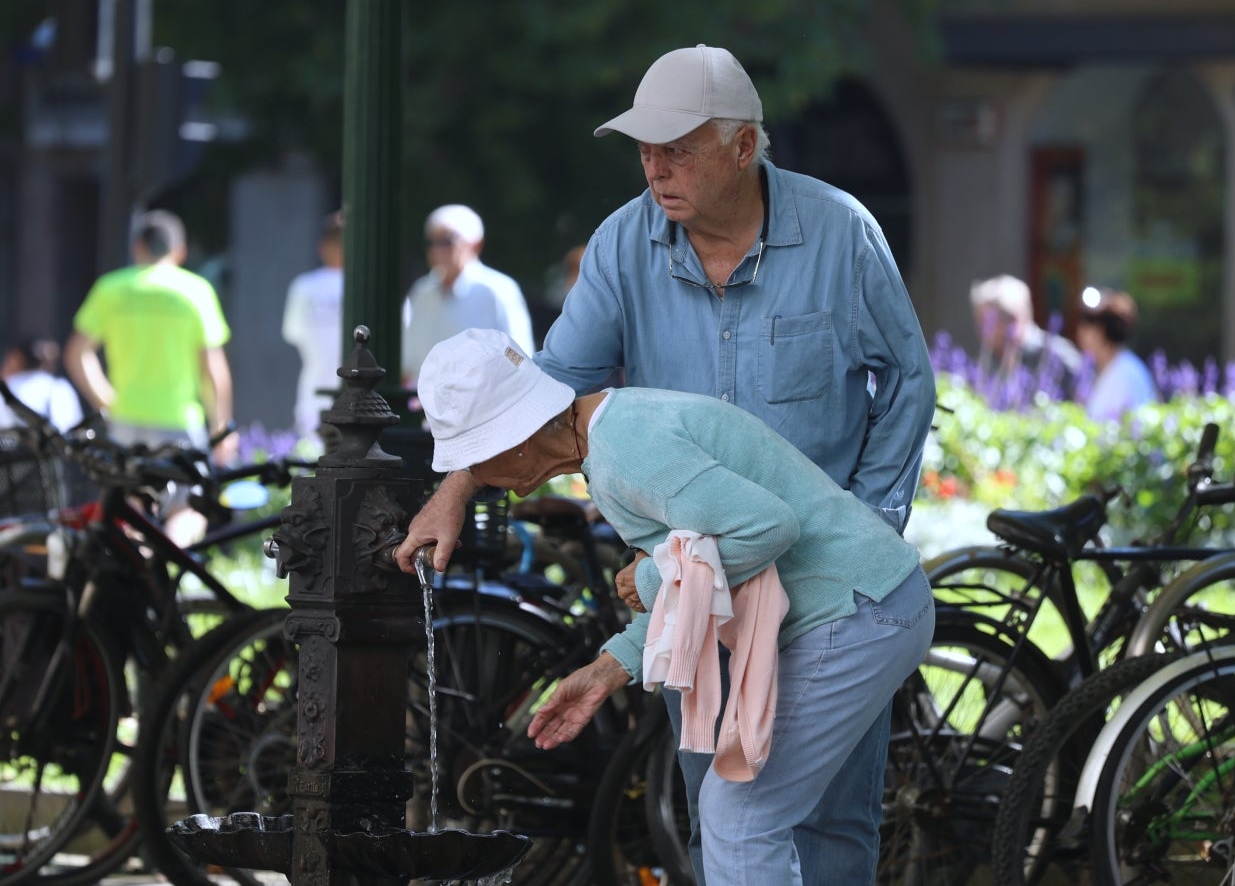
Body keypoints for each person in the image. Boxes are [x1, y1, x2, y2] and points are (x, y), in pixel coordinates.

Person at [395, 44, 936, 884]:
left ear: (746, 147)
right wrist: (456, 487)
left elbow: (905, 380)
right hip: (704, 583)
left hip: (824, 580)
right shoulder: (623, 243)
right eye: (645, 147)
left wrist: (872, 518)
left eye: (679, 146)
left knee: (825, 815)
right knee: (714, 795)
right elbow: (544, 391)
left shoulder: (839, 231)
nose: (655, 166)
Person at [416, 328, 934, 885]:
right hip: (862, 603)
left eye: (477, 461)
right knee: (740, 816)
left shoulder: (627, 453)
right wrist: (604, 672)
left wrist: (650, 571)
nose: (486, 482)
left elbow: (765, 528)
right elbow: (697, 586)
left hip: (859, 608)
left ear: (514, 441)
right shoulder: (612, 434)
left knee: (739, 819)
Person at [64, 209, 238, 545]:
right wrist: (221, 427)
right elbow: (213, 369)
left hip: (125, 420)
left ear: (137, 247)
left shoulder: (112, 288)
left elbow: (77, 353)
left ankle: (139, 573)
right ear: (180, 251)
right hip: (178, 421)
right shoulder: (195, 290)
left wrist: (104, 399)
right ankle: (163, 560)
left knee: (129, 507)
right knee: (189, 507)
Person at [400, 203, 534, 389]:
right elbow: (408, 362)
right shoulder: (422, 292)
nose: (438, 249)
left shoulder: (498, 290)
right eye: (432, 242)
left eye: (447, 241)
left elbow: (519, 357)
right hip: (424, 407)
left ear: (476, 244)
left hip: (484, 408)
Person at [282, 210, 346, 439]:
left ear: (322, 247)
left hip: (313, 400)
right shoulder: (374, 286)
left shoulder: (303, 287)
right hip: (367, 407)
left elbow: (292, 334)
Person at [969, 273, 1083, 399]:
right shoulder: (992, 362)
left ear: (1014, 319)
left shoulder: (1058, 357)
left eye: (987, 322)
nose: (981, 331)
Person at [1076, 285, 1157, 421]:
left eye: (1087, 322)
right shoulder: (1108, 368)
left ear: (1099, 331)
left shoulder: (1125, 374)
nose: (1080, 331)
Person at [0, 337, 84, 432]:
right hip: (55, 454)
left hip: (9, 454)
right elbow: (75, 429)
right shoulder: (63, 388)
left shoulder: (3, 387)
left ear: (18, 359)